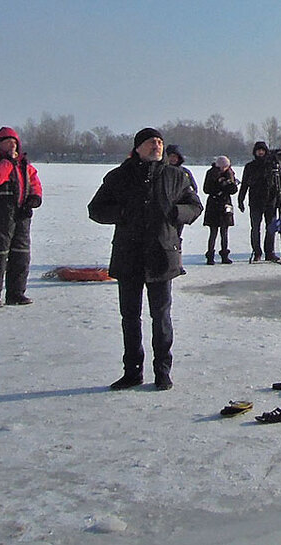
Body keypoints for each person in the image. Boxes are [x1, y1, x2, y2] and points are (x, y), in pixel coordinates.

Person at [88, 128, 203, 391]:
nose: (157, 146)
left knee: (161, 317)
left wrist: (177, 213)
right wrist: (123, 212)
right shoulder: (119, 177)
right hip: (129, 255)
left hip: (162, 254)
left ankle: (163, 371)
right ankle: (132, 372)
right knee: (129, 317)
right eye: (151, 142)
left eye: (160, 142)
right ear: (138, 147)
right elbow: (96, 209)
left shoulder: (176, 176)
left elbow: (195, 206)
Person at [0, 127, 42, 308]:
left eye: (14, 142)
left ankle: (16, 293)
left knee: (21, 254)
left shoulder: (24, 164)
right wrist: (7, 162)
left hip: (20, 214)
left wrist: (34, 198)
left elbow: (33, 180)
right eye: (7, 142)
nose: (11, 146)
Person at [237, 141, 281, 262]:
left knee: (271, 228)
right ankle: (257, 252)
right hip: (255, 201)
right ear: (255, 152)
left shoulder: (274, 165)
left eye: (262, 150)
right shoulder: (250, 166)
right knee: (255, 228)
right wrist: (240, 199)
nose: (260, 152)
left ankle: (269, 252)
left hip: (271, 201)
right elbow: (244, 184)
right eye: (258, 150)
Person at [203, 155, 238, 264]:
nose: (223, 168)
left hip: (225, 204)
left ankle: (224, 255)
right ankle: (210, 256)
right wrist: (219, 184)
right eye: (221, 166)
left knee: (224, 231)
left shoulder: (230, 174)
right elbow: (207, 189)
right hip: (213, 205)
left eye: (225, 166)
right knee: (213, 232)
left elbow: (233, 190)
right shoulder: (211, 173)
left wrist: (228, 184)